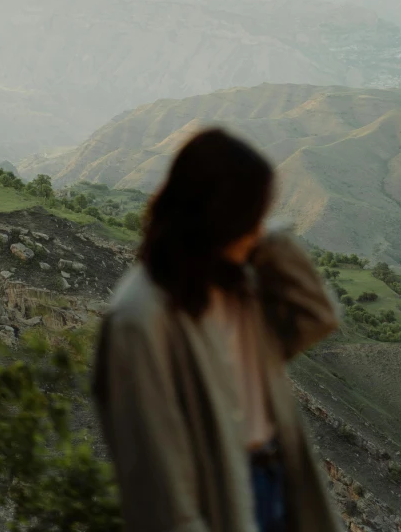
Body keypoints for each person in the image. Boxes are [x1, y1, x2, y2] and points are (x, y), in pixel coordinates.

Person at [93, 128, 341, 532]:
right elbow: (157, 481)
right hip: (222, 499)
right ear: (218, 216)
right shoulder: (139, 318)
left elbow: (317, 317)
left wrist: (271, 243)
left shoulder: (239, 284)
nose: (258, 228)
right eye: (252, 217)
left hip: (277, 479)